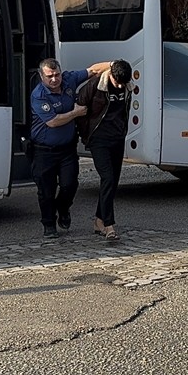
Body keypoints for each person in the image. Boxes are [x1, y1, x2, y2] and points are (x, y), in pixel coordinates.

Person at [29, 57, 112, 238]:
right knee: (46, 190)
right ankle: (49, 224)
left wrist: (113, 65)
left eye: (57, 74)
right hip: (44, 150)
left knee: (70, 185)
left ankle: (63, 208)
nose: (54, 79)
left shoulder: (69, 79)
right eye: (49, 76)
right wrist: (76, 113)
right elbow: (53, 122)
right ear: (41, 76)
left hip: (67, 148)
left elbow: (93, 70)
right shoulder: (39, 95)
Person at [76, 59, 134, 243]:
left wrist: (123, 131)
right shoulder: (95, 85)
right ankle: (109, 225)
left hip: (117, 138)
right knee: (107, 177)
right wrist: (87, 135)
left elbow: (125, 110)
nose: (119, 85)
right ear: (110, 75)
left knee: (112, 181)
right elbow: (81, 108)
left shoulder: (127, 86)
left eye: (122, 83)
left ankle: (99, 221)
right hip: (99, 139)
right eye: (117, 82)